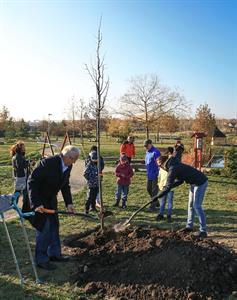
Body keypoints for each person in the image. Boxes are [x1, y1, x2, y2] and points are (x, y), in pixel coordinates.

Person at [28, 145, 80, 270]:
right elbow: (32, 182)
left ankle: (54, 254)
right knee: (44, 229)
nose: (74, 162)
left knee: (54, 226)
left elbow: (65, 185)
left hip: (51, 200)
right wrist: (36, 204)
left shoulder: (68, 165)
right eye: (74, 159)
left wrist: (69, 203)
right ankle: (41, 259)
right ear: (67, 156)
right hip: (39, 199)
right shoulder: (47, 163)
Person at [155, 155, 208, 238]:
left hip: (200, 182)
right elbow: (180, 181)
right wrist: (166, 188)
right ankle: (189, 227)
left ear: (163, 163)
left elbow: (168, 186)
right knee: (190, 205)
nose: (159, 167)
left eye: (159, 165)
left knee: (197, 206)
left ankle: (203, 231)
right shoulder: (173, 165)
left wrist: (157, 196)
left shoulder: (172, 168)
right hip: (193, 183)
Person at [10, 140, 30, 212]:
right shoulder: (18, 156)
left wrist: (26, 162)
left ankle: (21, 204)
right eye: (23, 147)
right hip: (20, 176)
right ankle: (14, 204)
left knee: (23, 190)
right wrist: (27, 163)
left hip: (19, 176)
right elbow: (20, 166)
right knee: (19, 191)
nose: (25, 148)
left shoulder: (18, 156)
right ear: (20, 148)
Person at [144, 139, 161, 211]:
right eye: (144, 146)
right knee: (148, 189)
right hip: (149, 174)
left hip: (155, 174)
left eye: (147, 145)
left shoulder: (156, 152)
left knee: (154, 191)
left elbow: (160, 163)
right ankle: (156, 201)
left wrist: (159, 172)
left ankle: (152, 206)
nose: (146, 147)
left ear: (150, 144)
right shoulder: (147, 152)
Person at [156, 155, 174, 223]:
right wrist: (159, 185)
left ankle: (169, 215)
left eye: (159, 163)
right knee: (162, 202)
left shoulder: (169, 168)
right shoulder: (160, 169)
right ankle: (161, 214)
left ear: (163, 162)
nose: (158, 164)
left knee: (169, 202)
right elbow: (159, 177)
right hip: (162, 188)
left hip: (169, 188)